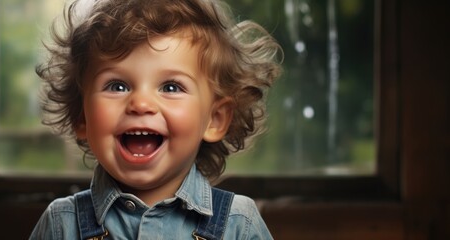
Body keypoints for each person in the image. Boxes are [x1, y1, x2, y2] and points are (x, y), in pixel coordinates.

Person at [30, 0, 281, 239]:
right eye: (117, 86)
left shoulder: (239, 224)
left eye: (171, 87)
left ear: (214, 119)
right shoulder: (61, 224)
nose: (141, 104)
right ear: (81, 116)